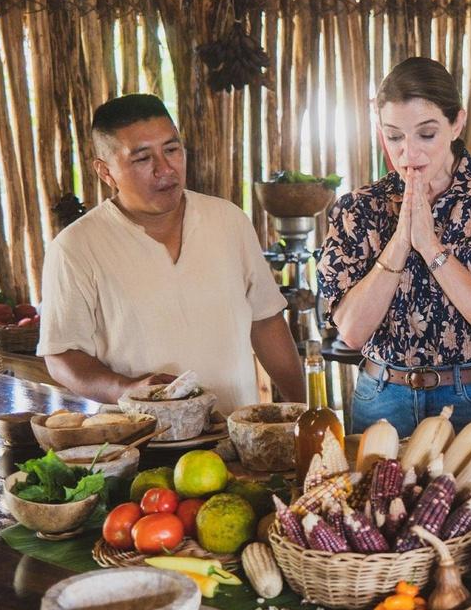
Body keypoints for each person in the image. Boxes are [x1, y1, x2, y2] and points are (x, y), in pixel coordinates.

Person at [38, 94, 304, 413]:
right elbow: (61, 355)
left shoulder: (227, 220)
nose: (164, 168)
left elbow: (267, 322)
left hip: (235, 435)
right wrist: (128, 388)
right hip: (140, 446)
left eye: (171, 149)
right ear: (105, 171)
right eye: (142, 158)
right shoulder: (76, 247)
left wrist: (302, 410)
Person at [317, 58, 471, 438]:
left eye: (426, 134)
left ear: (456, 124)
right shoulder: (358, 209)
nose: (409, 154)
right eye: (395, 136)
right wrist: (401, 242)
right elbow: (352, 332)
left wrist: (430, 246)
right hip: (383, 397)